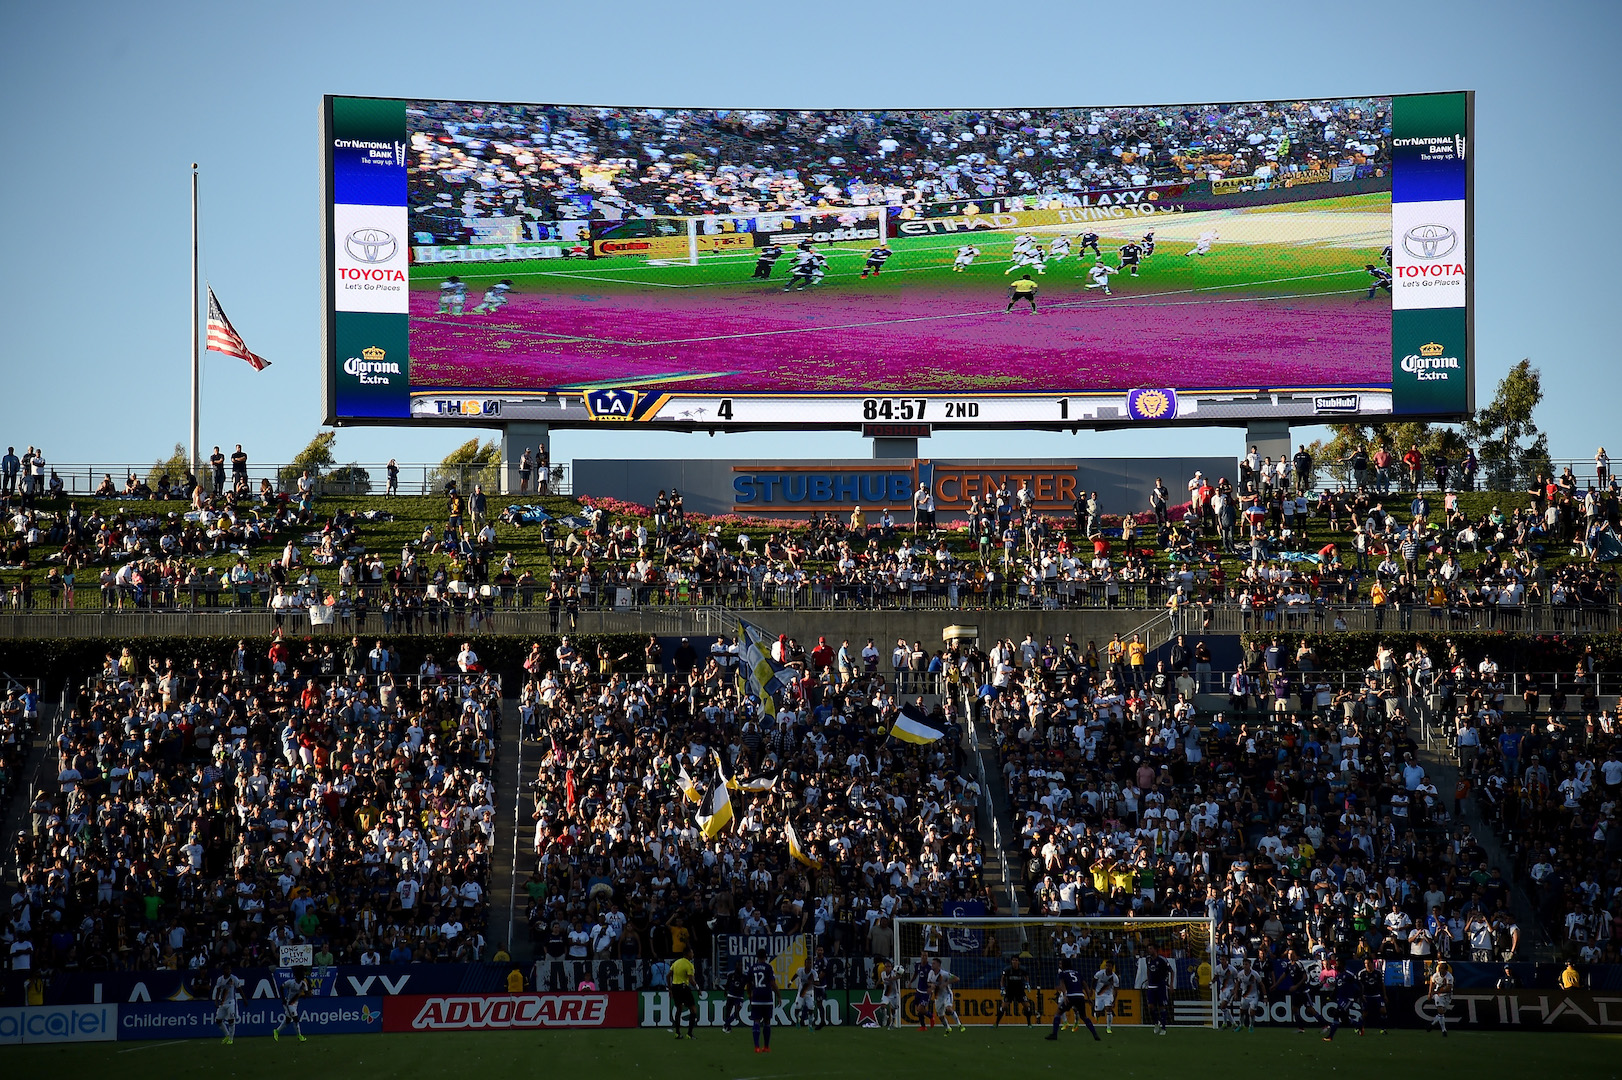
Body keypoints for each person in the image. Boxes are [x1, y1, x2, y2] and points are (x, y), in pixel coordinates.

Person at [1046, 959, 1101, 1041]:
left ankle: (1054, 1034)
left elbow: (1062, 984)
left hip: (1070, 996)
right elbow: (1085, 985)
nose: (1060, 965)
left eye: (1061, 963)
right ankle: (1095, 1035)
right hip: (1080, 996)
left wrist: (1065, 995)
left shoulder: (1062, 974)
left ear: (1064, 965)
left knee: (1058, 1013)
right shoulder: (1077, 973)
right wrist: (1089, 998)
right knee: (1084, 1016)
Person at [749, 946, 777, 1053]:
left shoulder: (752, 968)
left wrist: (750, 995)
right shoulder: (768, 967)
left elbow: (749, 983)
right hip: (767, 997)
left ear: (757, 957)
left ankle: (756, 1047)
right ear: (766, 957)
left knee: (756, 1021)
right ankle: (766, 1046)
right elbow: (772, 983)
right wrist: (778, 995)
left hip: (756, 997)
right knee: (767, 1021)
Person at [272, 967, 309, 1042]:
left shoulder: (303, 984)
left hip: (295, 1003)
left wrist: (303, 992)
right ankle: (299, 1035)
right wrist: (283, 999)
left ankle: (276, 1031)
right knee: (296, 1019)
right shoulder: (290, 982)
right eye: (301, 976)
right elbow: (281, 987)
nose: (302, 977)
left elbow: (306, 995)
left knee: (288, 1020)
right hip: (289, 1003)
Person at [670, 945, 699, 1039]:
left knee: (679, 1009)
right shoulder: (689, 964)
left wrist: (670, 989)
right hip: (683, 987)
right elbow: (691, 980)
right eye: (692, 952)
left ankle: (677, 1033)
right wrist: (698, 988)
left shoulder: (676, 962)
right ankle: (689, 1034)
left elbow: (668, 976)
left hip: (675, 987)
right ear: (688, 954)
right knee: (693, 1010)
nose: (693, 954)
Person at [996, 955, 1034, 1026]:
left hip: (1020, 991)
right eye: (1013, 960)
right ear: (1011, 961)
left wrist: (1027, 984)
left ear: (1018, 962)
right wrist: (1002, 988)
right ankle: (996, 1024)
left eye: (1016, 960)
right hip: (1009, 991)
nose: (1014, 962)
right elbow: (1002, 979)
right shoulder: (1007, 969)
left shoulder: (1022, 969)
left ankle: (1029, 1024)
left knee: (1027, 1006)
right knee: (1004, 1006)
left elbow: (1026, 976)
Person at [1143, 944, 1172, 1034]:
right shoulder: (1148, 959)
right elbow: (1148, 969)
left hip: (1161, 986)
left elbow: (1171, 971)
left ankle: (1163, 1028)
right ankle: (1156, 1023)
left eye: (1151, 948)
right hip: (1151, 986)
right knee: (1150, 1006)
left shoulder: (1162, 959)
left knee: (1162, 1007)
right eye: (1148, 949)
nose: (1149, 950)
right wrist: (1148, 980)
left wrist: (1171, 984)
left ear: (1155, 949)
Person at [213, 962, 245, 1045]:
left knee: (231, 1020)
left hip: (231, 1002)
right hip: (223, 1002)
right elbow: (218, 991)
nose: (229, 971)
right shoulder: (220, 979)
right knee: (218, 1020)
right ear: (224, 970)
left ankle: (231, 1039)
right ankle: (227, 1035)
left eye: (230, 969)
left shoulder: (234, 978)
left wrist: (244, 999)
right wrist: (216, 1001)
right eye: (227, 969)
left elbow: (239, 989)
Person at [929, 958, 963, 1033]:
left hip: (946, 994)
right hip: (938, 996)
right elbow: (928, 982)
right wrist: (931, 985)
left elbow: (957, 978)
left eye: (934, 963)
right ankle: (948, 1028)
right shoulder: (931, 973)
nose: (932, 965)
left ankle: (959, 1024)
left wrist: (946, 983)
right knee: (940, 1015)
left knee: (948, 1008)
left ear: (938, 965)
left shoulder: (944, 974)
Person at [1357, 956, 1388, 1035]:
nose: (1367, 965)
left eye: (1368, 963)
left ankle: (1383, 1029)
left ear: (1372, 963)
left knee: (1383, 1010)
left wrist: (1384, 995)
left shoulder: (1378, 973)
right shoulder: (1362, 973)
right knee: (1365, 1013)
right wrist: (1361, 995)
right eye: (1365, 963)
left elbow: (1382, 984)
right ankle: (1359, 1027)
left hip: (1376, 995)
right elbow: (1359, 986)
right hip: (1366, 996)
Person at [1425, 960, 1454, 1036]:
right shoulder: (1436, 975)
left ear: (1446, 970)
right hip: (1438, 995)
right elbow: (1432, 982)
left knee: (1441, 1013)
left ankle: (1432, 1024)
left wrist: (1435, 992)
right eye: (1440, 968)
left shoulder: (1449, 977)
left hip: (1447, 996)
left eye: (1442, 968)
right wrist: (1430, 993)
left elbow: (1448, 988)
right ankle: (1444, 1030)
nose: (1440, 970)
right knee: (1440, 1010)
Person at [1093, 959, 1119, 1033]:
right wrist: (1092, 989)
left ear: (1112, 967)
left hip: (1108, 994)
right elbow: (1094, 980)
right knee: (1098, 1013)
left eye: (1109, 966)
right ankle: (1096, 1014)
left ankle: (1108, 1027)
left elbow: (1116, 990)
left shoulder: (1115, 977)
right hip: (1099, 994)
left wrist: (1114, 1000)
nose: (1107, 967)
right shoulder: (1100, 973)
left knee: (1108, 1009)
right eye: (1106, 966)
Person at [722, 959, 748, 1033]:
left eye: (741, 965)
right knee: (728, 1012)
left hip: (739, 996)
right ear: (735, 966)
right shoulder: (731, 975)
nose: (740, 967)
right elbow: (727, 984)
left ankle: (726, 1024)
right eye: (739, 965)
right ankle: (728, 1027)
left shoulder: (744, 976)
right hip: (731, 995)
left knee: (737, 1012)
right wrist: (725, 991)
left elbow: (749, 984)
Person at [914, 952, 936, 1031]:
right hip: (918, 990)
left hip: (926, 992)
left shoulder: (930, 967)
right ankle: (923, 1026)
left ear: (927, 957)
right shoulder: (917, 965)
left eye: (926, 956)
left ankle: (931, 1016)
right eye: (923, 955)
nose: (924, 957)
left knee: (920, 1008)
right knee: (918, 1010)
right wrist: (910, 982)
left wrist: (932, 988)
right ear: (920, 956)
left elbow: (934, 979)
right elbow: (916, 974)